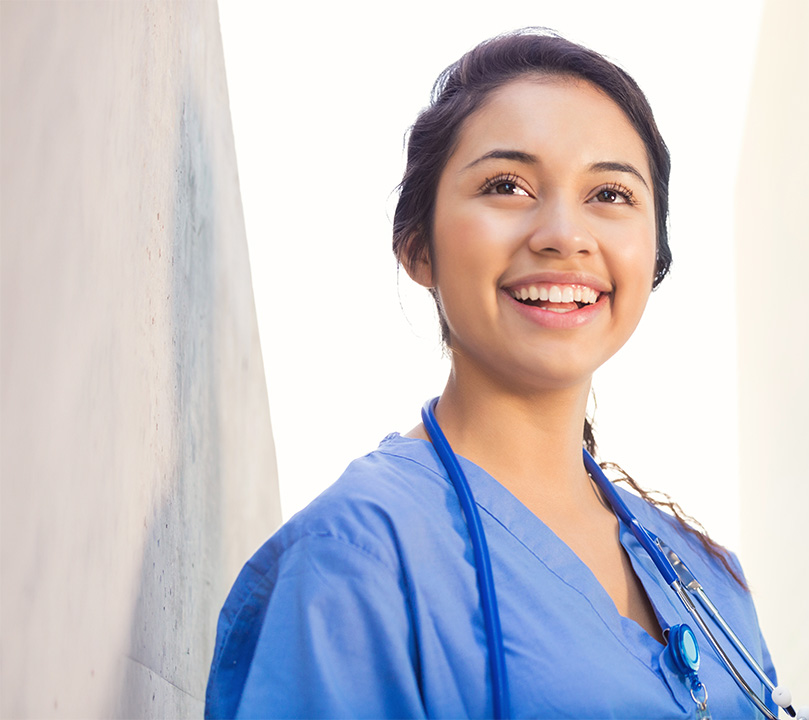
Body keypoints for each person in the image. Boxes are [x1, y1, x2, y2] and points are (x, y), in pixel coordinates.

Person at [206, 29, 778, 719]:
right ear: (418, 249)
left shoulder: (707, 578)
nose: (565, 233)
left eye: (611, 193)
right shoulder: (352, 563)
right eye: (506, 186)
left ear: (652, 253)